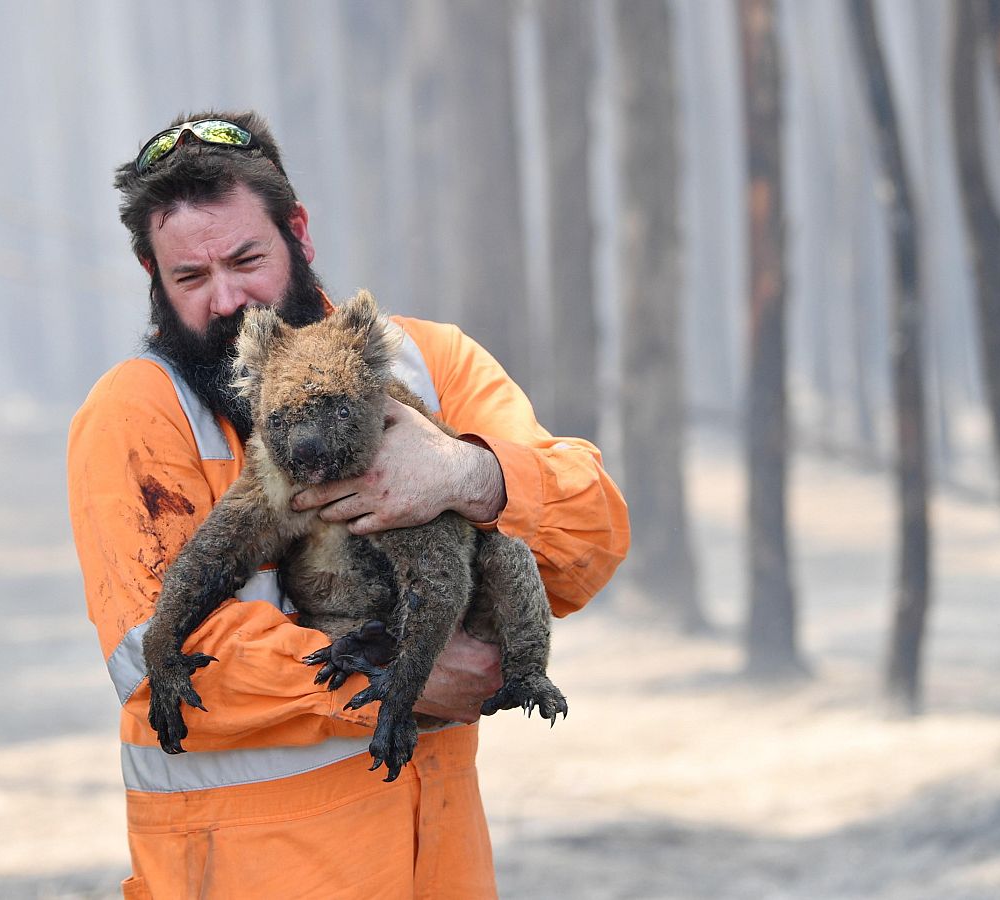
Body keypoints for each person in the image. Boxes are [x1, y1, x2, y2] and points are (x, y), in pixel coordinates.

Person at [67, 110, 630, 899]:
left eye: (246, 259)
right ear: (152, 276)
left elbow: (592, 537)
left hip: (440, 871)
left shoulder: (428, 363)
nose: (228, 300)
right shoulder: (137, 412)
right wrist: (397, 679)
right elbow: (147, 649)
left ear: (298, 231)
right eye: (189, 278)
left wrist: (468, 476)